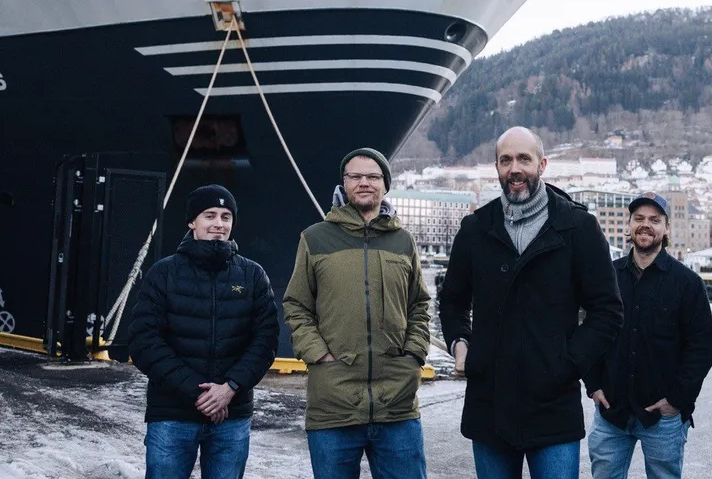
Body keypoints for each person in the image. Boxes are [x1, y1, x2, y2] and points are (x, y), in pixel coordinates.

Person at [439, 126, 623, 479]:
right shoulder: (475, 229)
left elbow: (607, 310)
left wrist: (568, 364)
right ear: (496, 167)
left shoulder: (578, 228)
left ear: (542, 164)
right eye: (505, 160)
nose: (515, 168)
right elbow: (452, 300)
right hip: (489, 402)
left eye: (524, 158)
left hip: (552, 403)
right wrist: (459, 343)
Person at [282, 147, 430, 479]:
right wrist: (318, 354)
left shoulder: (403, 241)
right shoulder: (315, 238)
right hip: (333, 405)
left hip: (397, 405)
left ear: (385, 184)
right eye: (355, 176)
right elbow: (296, 304)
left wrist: (414, 355)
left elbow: (419, 304)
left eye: (373, 176)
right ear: (344, 183)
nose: (364, 183)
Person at [129, 184, 279, 479]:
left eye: (226, 217)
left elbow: (265, 340)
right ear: (191, 222)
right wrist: (202, 394)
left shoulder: (252, 275)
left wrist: (230, 388)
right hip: (172, 413)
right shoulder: (164, 273)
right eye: (209, 215)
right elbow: (144, 342)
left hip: (231, 415)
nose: (218, 224)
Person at [584, 192, 712, 479]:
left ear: (667, 228)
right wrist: (593, 384)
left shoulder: (687, 283)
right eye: (639, 219)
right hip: (611, 412)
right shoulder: (607, 276)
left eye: (655, 220)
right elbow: (589, 332)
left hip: (663, 416)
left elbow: (701, 348)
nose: (646, 225)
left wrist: (677, 400)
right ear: (628, 225)